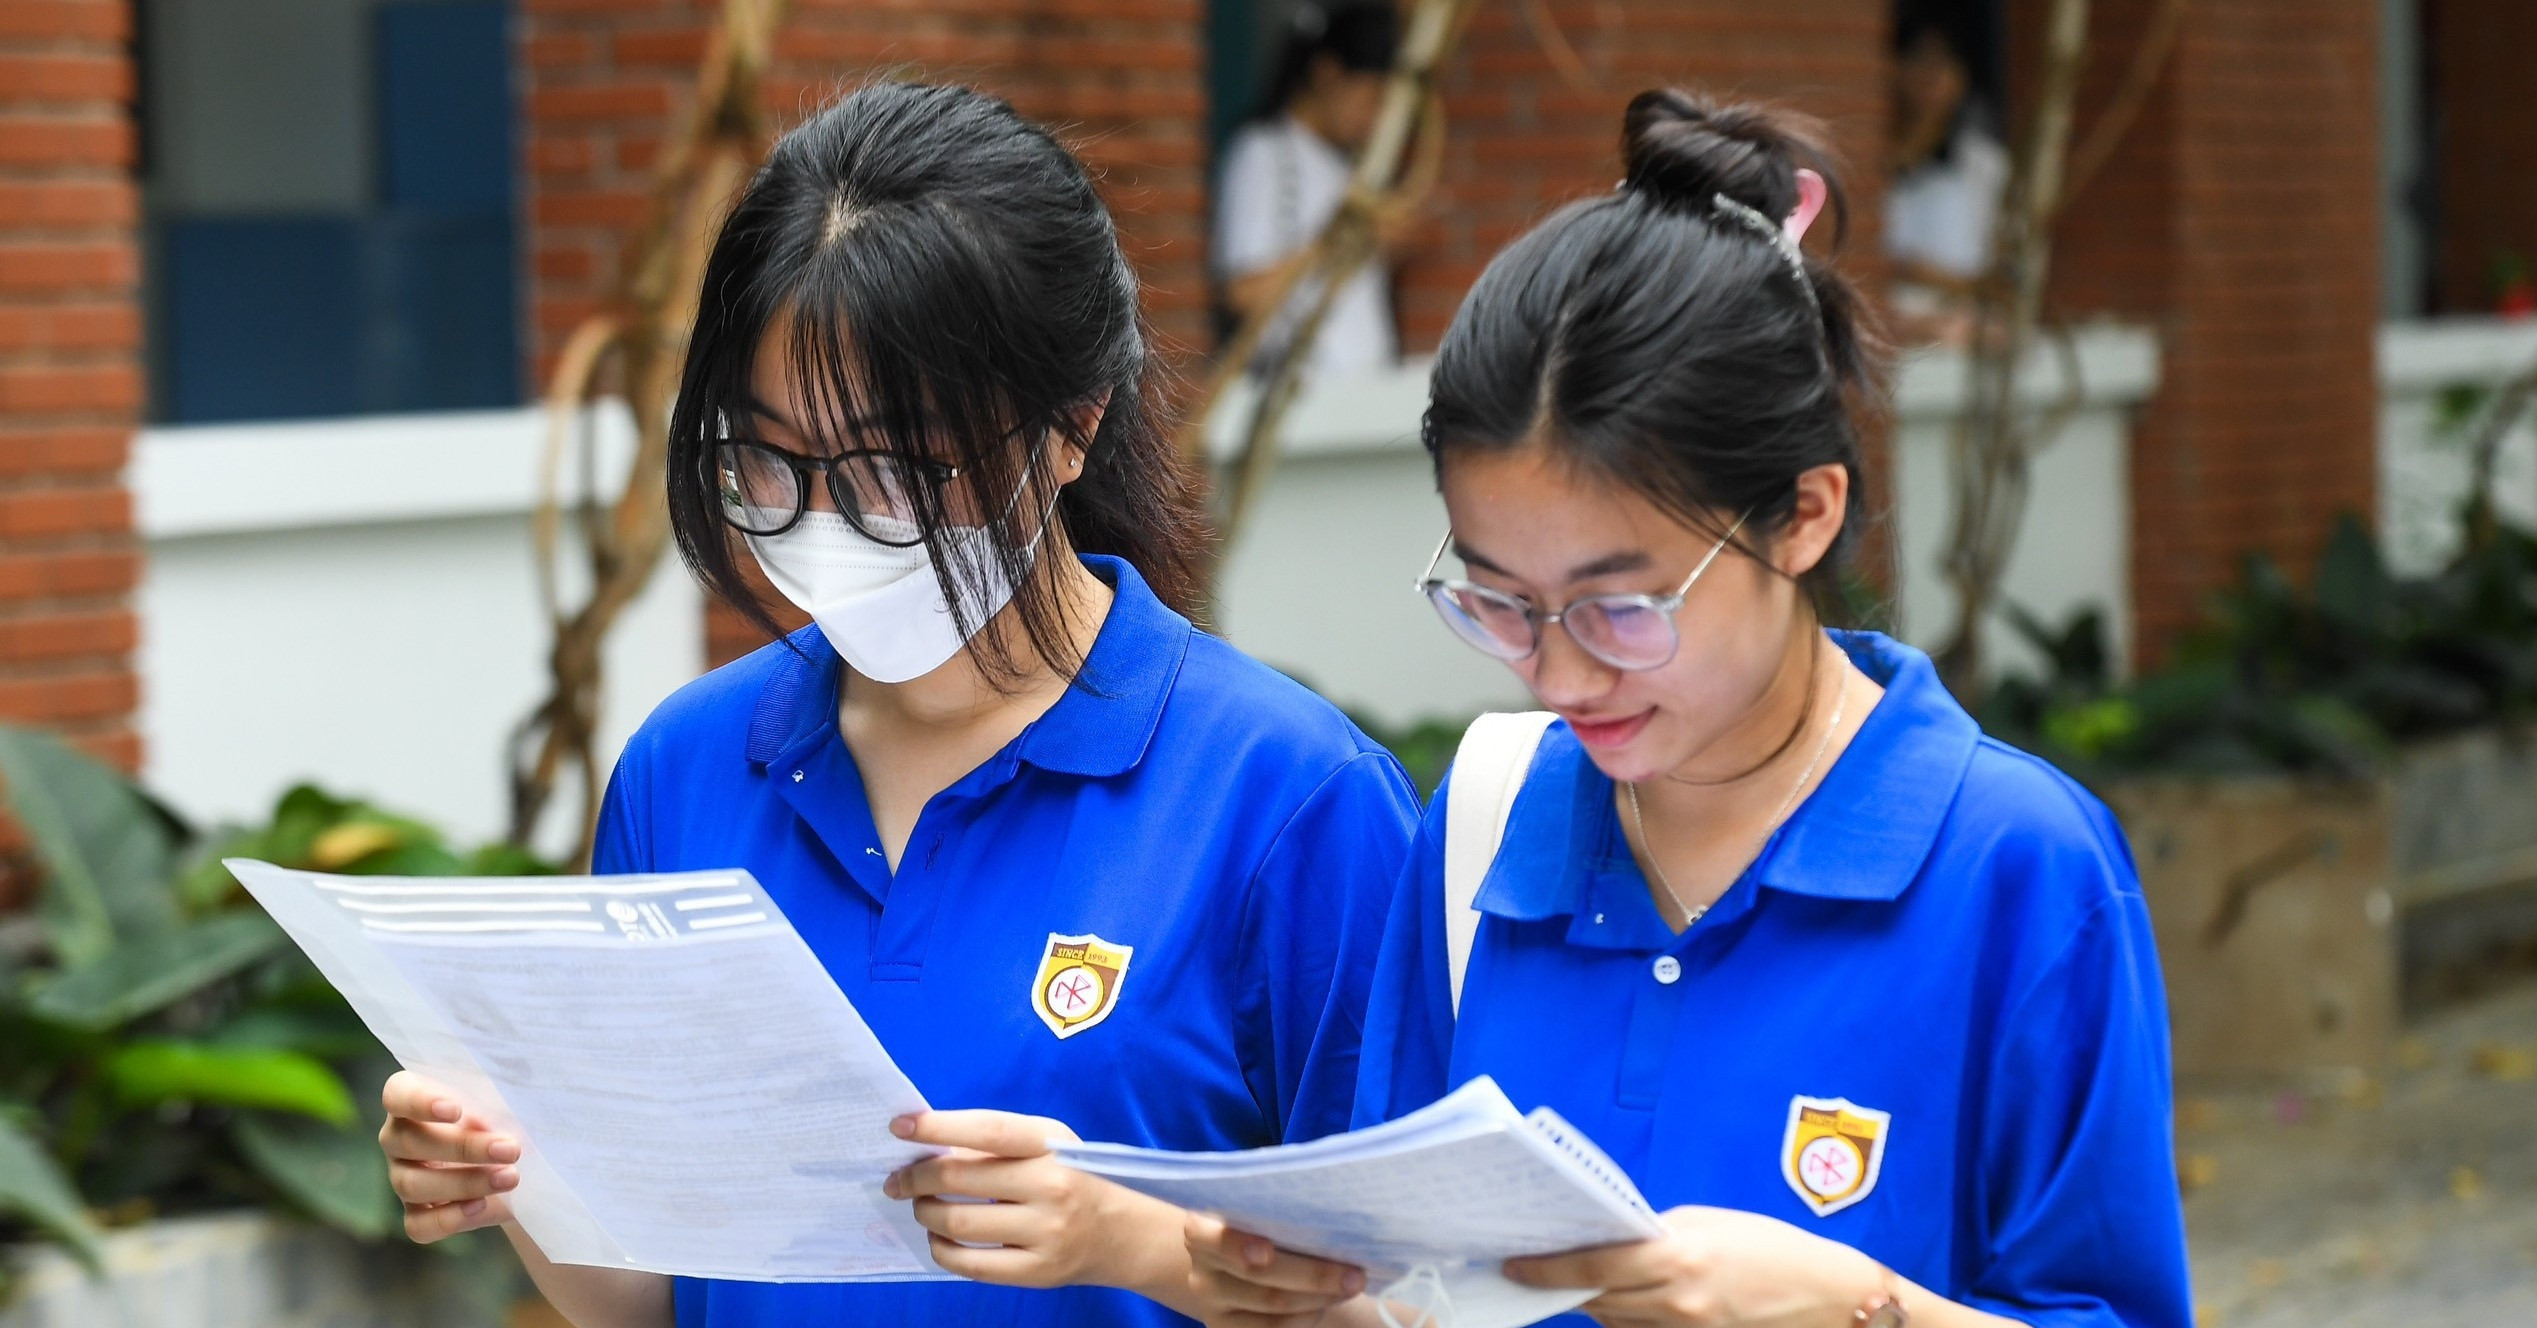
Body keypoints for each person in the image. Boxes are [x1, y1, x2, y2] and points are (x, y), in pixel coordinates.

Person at [372, 81, 1420, 1328]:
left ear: (1070, 426)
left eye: (891, 466)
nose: (821, 520)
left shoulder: (1283, 796)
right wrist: (514, 1170)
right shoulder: (687, 770)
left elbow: (1411, 1306)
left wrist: (1135, 1244)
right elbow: (650, 1296)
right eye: (762, 457)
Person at [1187, 90, 2193, 1328]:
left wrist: (1860, 1307)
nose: (1557, 677)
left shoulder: (2012, 867)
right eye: (1500, 602)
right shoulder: (1486, 830)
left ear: (1803, 514)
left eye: (1622, 608)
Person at [1213, 1, 1410, 382]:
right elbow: (1242, 292)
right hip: (1298, 398)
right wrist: (1335, 244)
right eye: (1371, 99)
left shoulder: (1350, 167)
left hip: (1369, 384)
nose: (1374, 118)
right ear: (1329, 75)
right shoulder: (1264, 154)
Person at [1884, 17, 2007, 345]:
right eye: (1920, 60)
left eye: (1943, 64)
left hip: (1960, 325)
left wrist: (1931, 279)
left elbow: (2002, 275)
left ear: (1962, 78)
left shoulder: (1983, 164)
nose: (1931, 76)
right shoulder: (1872, 160)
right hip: (1888, 322)